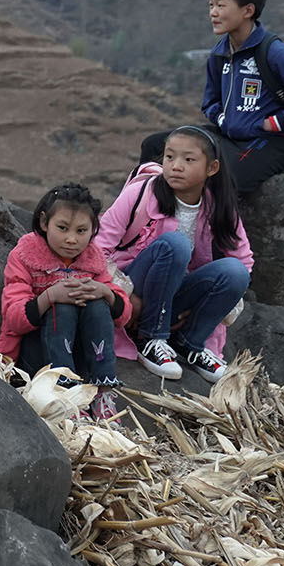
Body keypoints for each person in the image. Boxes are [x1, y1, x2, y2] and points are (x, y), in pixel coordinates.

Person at [142, 0, 284, 197]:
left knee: (227, 182)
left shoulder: (278, 54)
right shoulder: (219, 54)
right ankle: (150, 218)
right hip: (229, 136)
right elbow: (210, 103)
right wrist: (222, 118)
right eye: (211, 5)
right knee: (154, 145)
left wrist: (273, 123)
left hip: (273, 141)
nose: (213, 13)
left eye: (221, 6)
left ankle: (210, 230)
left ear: (248, 11)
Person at [98, 125, 253, 383]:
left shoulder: (218, 206)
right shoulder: (141, 193)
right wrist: (123, 295)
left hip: (174, 295)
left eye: (188, 159)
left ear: (211, 168)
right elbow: (98, 247)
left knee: (235, 272)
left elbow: (244, 258)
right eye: (170, 157)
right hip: (137, 289)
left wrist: (200, 309)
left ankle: (191, 343)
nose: (176, 166)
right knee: (175, 245)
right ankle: (151, 338)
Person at [0, 184, 130, 421]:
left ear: (93, 230)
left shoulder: (93, 259)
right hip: (40, 361)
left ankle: (102, 391)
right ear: (43, 222)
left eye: (81, 231)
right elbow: (14, 318)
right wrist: (49, 297)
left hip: (80, 355)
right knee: (63, 304)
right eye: (62, 228)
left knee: (98, 302)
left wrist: (106, 293)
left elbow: (123, 316)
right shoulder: (24, 256)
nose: (71, 239)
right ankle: (66, 394)